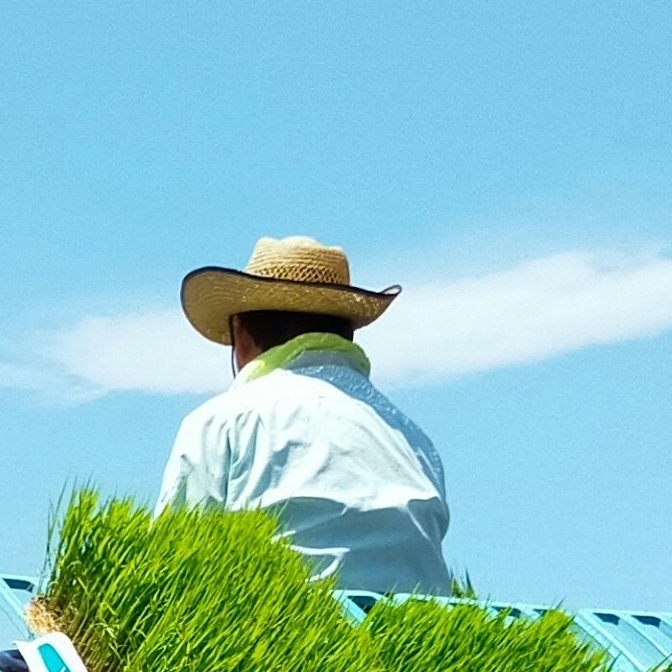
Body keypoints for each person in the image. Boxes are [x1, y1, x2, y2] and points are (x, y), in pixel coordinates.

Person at [155, 235, 452, 603]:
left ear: (241, 337)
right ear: (348, 332)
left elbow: (172, 571)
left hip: (276, 643)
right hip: (419, 644)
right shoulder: (415, 439)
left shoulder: (222, 422)